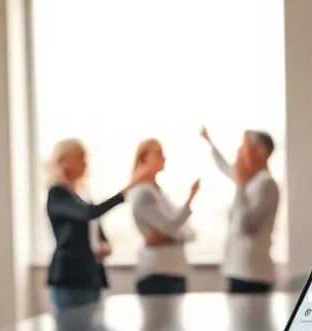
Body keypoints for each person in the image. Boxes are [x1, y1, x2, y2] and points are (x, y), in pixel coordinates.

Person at [45, 138, 149, 311]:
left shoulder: (80, 197)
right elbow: (90, 213)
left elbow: (93, 229)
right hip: (70, 280)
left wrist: (104, 245)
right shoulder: (57, 196)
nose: (85, 162)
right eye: (81, 156)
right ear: (66, 159)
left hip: (91, 277)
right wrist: (128, 187)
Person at [201, 125, 281, 293]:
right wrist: (210, 143)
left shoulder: (266, 184)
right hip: (239, 271)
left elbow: (245, 226)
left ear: (260, 152)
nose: (239, 152)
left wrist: (240, 186)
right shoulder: (251, 183)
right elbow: (226, 168)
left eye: (244, 146)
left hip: (252, 275)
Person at [127, 139, 200, 295]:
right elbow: (170, 226)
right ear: (144, 157)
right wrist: (190, 199)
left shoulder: (159, 192)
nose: (164, 158)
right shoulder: (143, 194)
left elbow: (186, 230)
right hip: (158, 272)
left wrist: (172, 236)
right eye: (159, 153)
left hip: (174, 270)